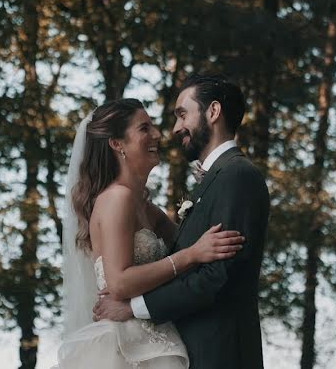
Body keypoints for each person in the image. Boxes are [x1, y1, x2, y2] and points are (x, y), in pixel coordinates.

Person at [94, 74, 271, 369]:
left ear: (213, 112)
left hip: (221, 354)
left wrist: (132, 308)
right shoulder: (213, 182)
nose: (174, 129)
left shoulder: (237, 176)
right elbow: (185, 263)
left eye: (182, 114)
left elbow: (217, 276)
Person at [56, 98, 245, 368]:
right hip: (126, 344)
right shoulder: (116, 199)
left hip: (157, 334)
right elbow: (119, 282)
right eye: (144, 128)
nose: (157, 134)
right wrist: (191, 255)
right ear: (117, 144)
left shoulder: (146, 208)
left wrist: (212, 193)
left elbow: (192, 243)